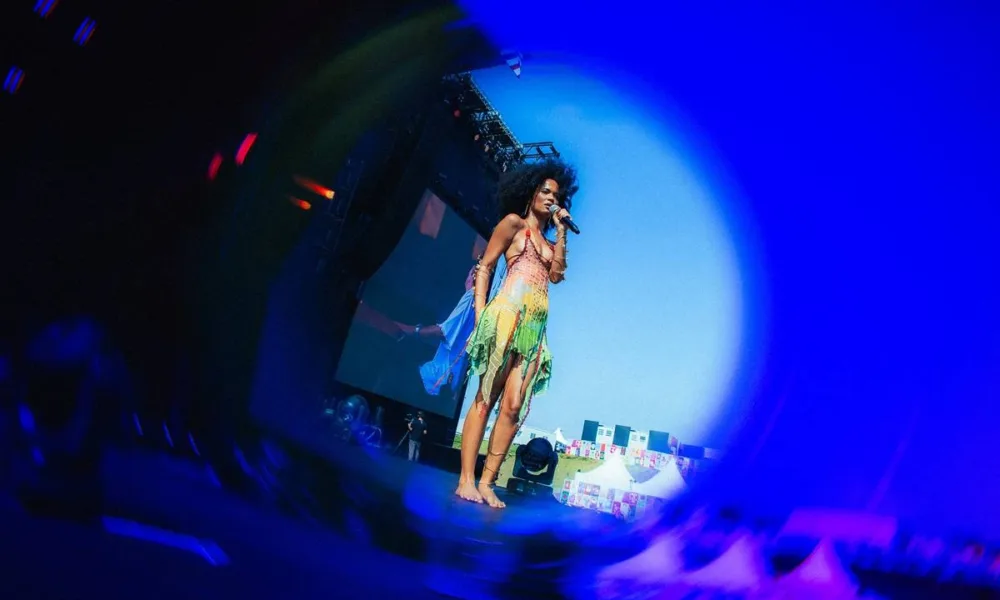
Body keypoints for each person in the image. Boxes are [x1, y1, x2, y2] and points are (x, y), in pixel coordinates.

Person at [454, 159, 579, 508]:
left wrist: (563, 229)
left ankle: (487, 481)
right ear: (531, 190)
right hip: (506, 315)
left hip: (534, 329)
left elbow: (555, 275)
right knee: (486, 397)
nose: (551, 198)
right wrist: (481, 318)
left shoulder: (551, 242)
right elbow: (486, 266)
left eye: (557, 194)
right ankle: (466, 479)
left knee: (512, 408)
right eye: (545, 191)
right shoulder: (513, 224)